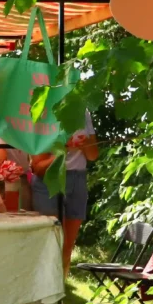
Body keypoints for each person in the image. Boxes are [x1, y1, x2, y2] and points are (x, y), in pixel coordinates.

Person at [30, 110, 99, 275]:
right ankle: (43, 291)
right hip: (50, 180)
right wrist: (63, 149)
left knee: (67, 245)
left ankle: (60, 291)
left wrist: (84, 144)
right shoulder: (44, 112)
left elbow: (93, 155)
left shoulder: (83, 112)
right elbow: (38, 168)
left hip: (78, 179)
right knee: (50, 241)